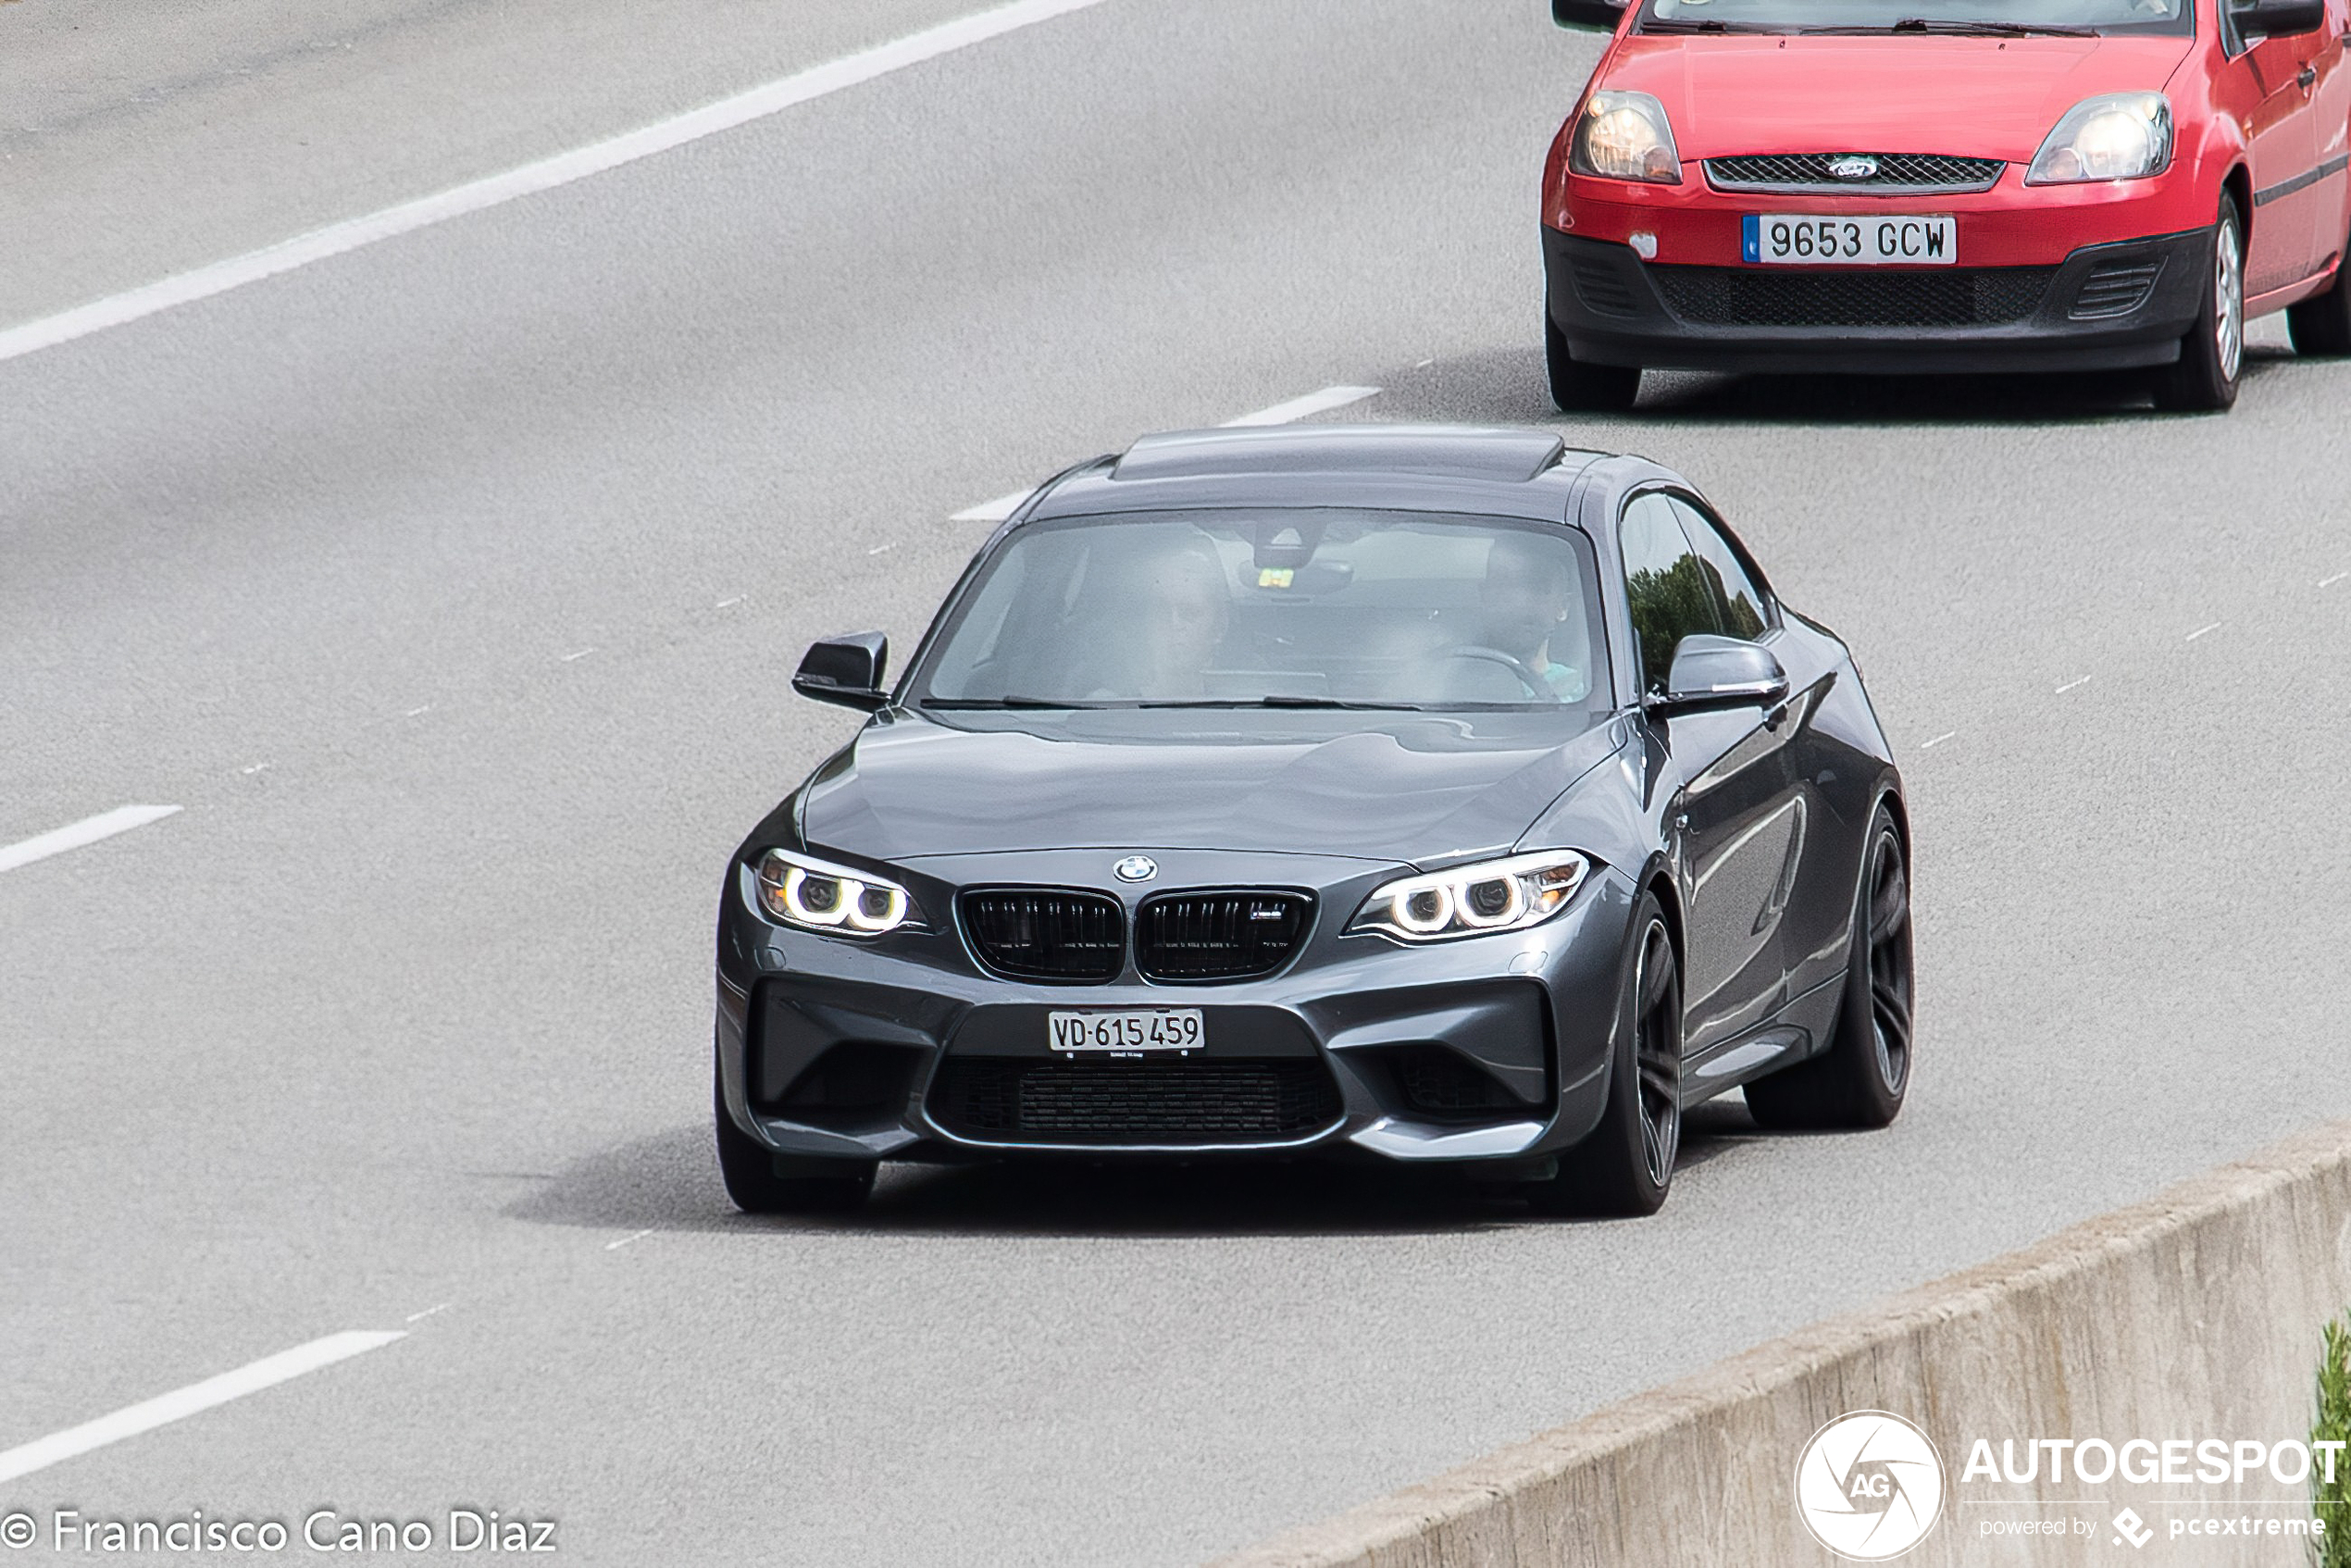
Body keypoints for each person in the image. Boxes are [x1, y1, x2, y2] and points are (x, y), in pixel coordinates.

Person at [1437, 533, 1590, 703]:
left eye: (1538, 587)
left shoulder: (1584, 693)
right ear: (1484, 596)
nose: (1520, 601)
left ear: (1563, 606)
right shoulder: (1440, 683)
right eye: (1503, 584)